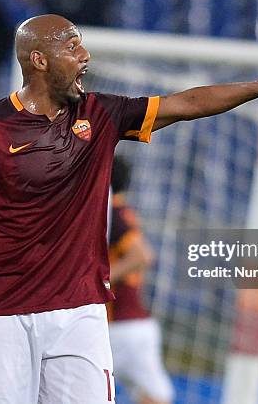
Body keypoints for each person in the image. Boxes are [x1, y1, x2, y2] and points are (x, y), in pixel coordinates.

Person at [0, 14, 258, 404]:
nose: (85, 56)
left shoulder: (101, 114)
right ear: (39, 60)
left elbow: (188, 103)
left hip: (81, 313)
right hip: (4, 312)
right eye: (72, 47)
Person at [108, 156, 174, 404]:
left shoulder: (111, 213)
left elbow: (142, 256)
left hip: (117, 326)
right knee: (154, 397)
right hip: (136, 325)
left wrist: (101, 280)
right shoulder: (124, 212)